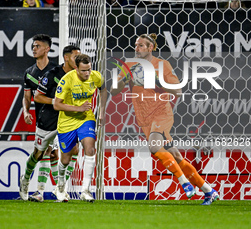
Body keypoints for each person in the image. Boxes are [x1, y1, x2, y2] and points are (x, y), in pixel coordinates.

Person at [110, 33, 219, 205]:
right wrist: (124, 79)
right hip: (144, 118)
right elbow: (113, 91)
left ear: (150, 47)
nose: (136, 48)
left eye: (140, 45)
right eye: (136, 45)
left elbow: (178, 91)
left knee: (154, 146)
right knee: (175, 156)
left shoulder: (162, 65)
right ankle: (208, 190)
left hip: (162, 114)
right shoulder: (129, 64)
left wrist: (157, 81)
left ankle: (185, 183)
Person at [26, 45, 82, 202]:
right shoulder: (52, 74)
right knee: (43, 153)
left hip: (68, 119)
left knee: (74, 150)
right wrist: (57, 102)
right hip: (50, 119)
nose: (78, 61)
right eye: (75, 57)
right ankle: (36, 188)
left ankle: (59, 188)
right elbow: (37, 97)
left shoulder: (80, 76)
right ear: (66, 57)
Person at [54, 54, 107, 202]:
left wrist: (101, 111)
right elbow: (56, 105)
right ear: (76, 68)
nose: (87, 73)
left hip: (86, 119)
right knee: (65, 159)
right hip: (67, 122)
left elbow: (103, 89)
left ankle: (85, 191)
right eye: (83, 70)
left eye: (89, 69)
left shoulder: (95, 76)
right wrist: (78, 108)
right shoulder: (67, 80)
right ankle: (60, 187)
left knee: (90, 148)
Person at [18, 34, 57, 201]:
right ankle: (26, 181)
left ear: (47, 49)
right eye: (33, 46)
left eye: (37, 46)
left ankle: (41, 192)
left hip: (57, 118)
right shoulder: (29, 73)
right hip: (41, 120)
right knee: (39, 154)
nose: (34, 49)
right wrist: (26, 111)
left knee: (51, 152)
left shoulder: (57, 71)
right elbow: (27, 97)